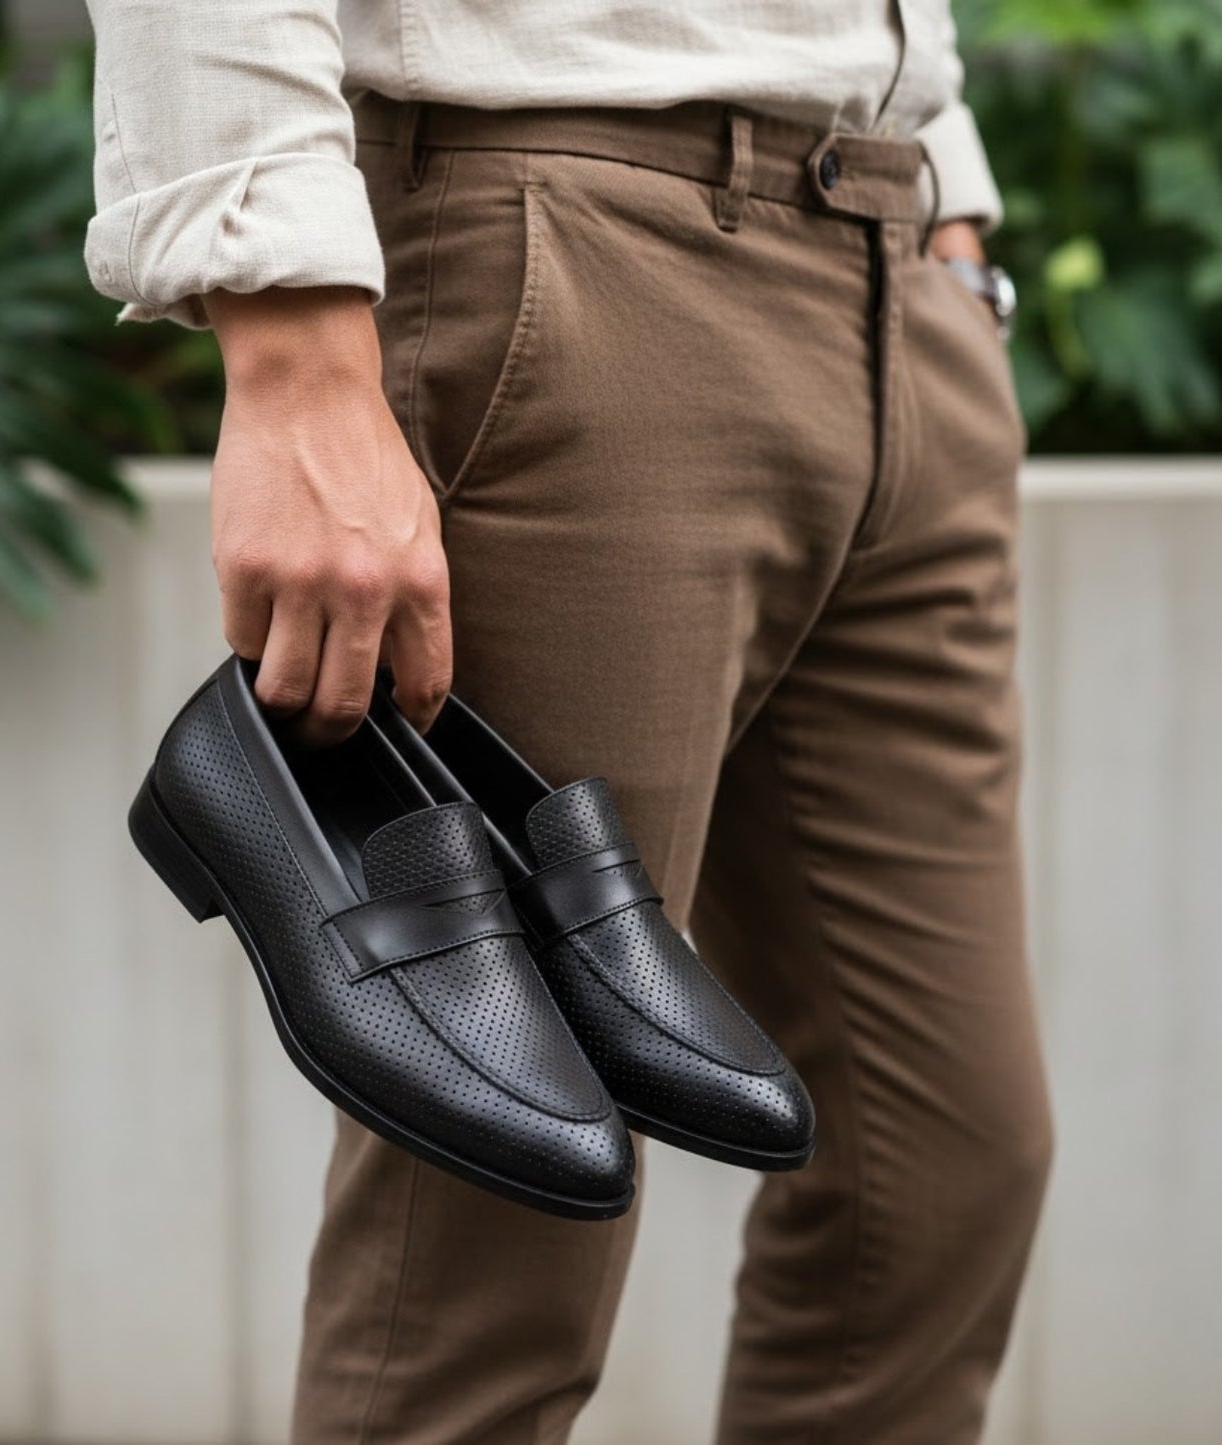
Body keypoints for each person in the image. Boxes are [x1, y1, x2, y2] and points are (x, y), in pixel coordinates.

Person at [83, 3, 1054, 1440]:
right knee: (497, 1237)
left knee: (945, 1171)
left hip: (895, 260)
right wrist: (286, 333)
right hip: (577, 237)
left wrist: (947, 200)